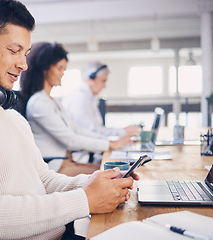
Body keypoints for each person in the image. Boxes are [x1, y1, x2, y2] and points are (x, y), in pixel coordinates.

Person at [0, 1, 139, 239]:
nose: (23, 64)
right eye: (14, 51)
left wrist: (91, 183)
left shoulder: (9, 114)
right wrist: (84, 199)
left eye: (26, 53)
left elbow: (43, 178)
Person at [20, 42, 138, 175]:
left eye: (64, 69)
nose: (62, 74)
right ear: (44, 68)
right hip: (56, 167)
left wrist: (110, 142)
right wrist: (110, 144)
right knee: (115, 175)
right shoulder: (38, 103)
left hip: (68, 161)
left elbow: (76, 129)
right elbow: (70, 139)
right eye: (59, 68)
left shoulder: (51, 100)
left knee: (118, 172)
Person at [62, 61, 141, 138]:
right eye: (103, 81)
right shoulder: (79, 98)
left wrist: (123, 131)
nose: (104, 86)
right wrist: (123, 132)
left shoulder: (88, 97)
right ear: (91, 77)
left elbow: (96, 129)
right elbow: (91, 131)